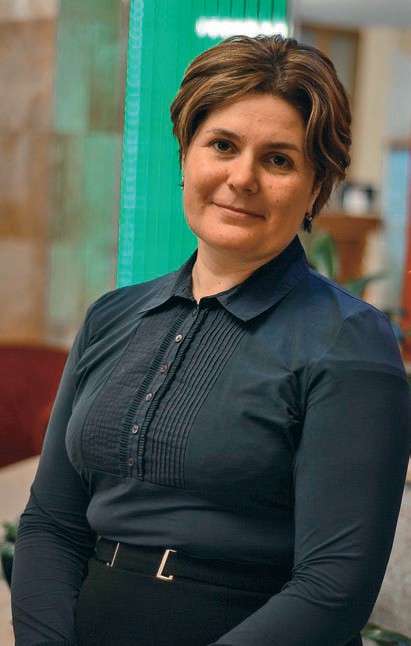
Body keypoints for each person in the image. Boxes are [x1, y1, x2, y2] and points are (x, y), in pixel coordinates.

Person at [11, 34, 410, 646]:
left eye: (279, 160)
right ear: (186, 157)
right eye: (222, 145)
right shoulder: (111, 317)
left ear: (315, 188)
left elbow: (334, 588)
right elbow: (50, 524)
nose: (241, 178)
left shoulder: (349, 340)